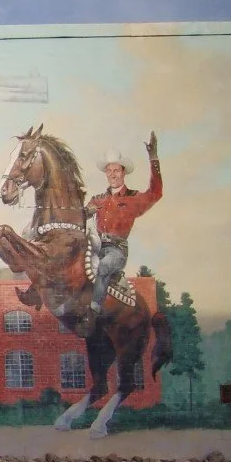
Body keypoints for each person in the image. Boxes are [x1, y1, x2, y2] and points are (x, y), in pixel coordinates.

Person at [75, 132, 163, 337]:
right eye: (109, 171)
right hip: (95, 245)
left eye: (116, 170)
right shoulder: (98, 199)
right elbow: (81, 215)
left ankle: (93, 313)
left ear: (124, 173)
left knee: (104, 266)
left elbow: (156, 193)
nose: (112, 174)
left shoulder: (133, 199)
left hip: (116, 250)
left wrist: (154, 159)